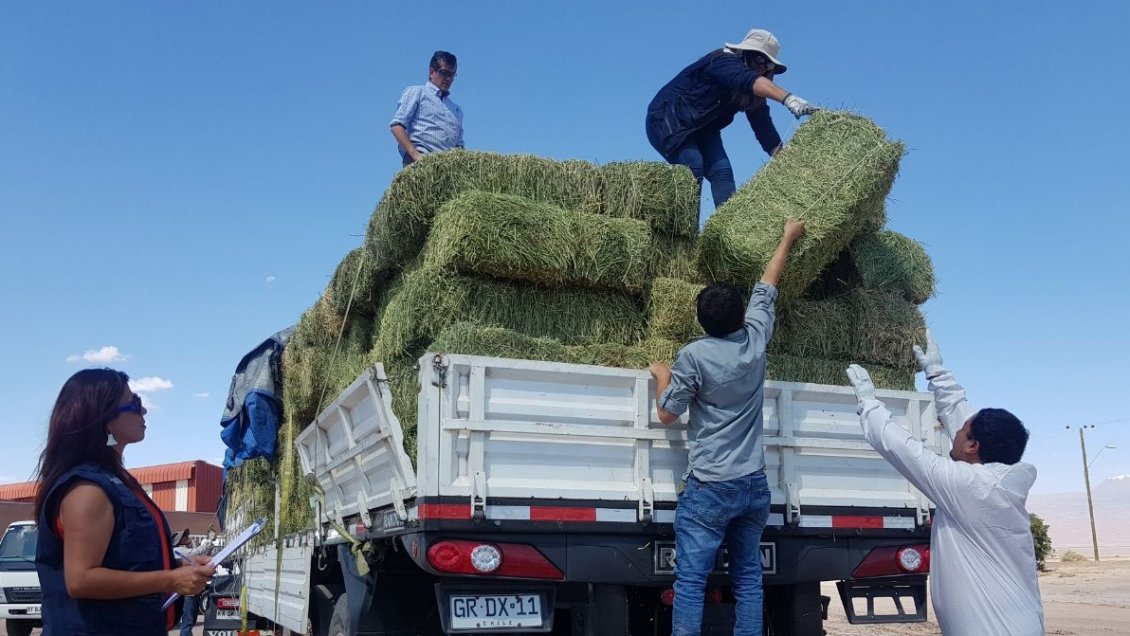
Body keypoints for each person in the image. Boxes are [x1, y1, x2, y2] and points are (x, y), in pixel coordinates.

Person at [648, 218, 805, 636]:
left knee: (692, 582)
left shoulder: (694, 357)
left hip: (711, 486)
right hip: (753, 485)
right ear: (740, 316)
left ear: (701, 322)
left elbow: (667, 413)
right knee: (749, 580)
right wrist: (787, 235)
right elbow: (767, 288)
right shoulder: (755, 340)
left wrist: (661, 374)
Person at [845, 332, 1044, 635]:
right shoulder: (995, 482)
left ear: (973, 446)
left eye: (962, 433)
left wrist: (870, 405)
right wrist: (938, 374)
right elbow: (962, 419)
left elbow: (906, 452)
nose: (954, 432)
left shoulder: (971, 487)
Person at [33, 368, 216, 635]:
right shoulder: (88, 489)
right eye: (135, 403)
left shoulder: (116, 481)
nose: (144, 412)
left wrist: (177, 566)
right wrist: (170, 579)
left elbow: (125, 559)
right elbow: (81, 579)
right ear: (105, 419)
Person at [646, 29, 818, 221]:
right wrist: (788, 99)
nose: (763, 67)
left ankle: (728, 230)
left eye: (768, 64)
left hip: (704, 129)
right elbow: (745, 79)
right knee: (693, 165)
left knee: (722, 171)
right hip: (668, 119)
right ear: (745, 53)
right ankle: (684, 234)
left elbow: (762, 124)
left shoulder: (752, 92)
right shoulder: (722, 61)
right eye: (759, 59)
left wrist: (782, 156)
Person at [390, 50, 464, 166]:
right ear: (432, 71)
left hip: (446, 168)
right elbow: (397, 126)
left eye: (452, 75)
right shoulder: (417, 92)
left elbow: (459, 146)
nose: (448, 79)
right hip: (420, 159)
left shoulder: (456, 110)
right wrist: (415, 155)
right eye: (444, 73)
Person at [178, 529, 219, 636]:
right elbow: (198, 552)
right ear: (179, 541)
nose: (188, 538)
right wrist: (209, 540)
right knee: (187, 623)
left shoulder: (185, 551)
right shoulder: (179, 551)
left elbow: (202, 555)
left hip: (191, 591)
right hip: (188, 593)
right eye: (185, 537)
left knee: (190, 621)